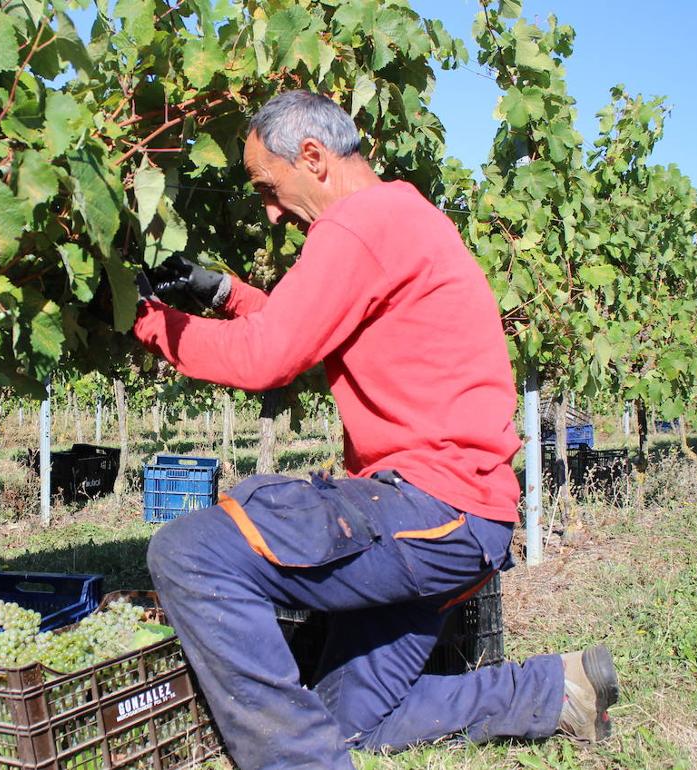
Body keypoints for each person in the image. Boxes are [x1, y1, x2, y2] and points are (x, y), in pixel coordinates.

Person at [134, 90, 619, 769]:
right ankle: (557, 690)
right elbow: (313, 327)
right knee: (345, 719)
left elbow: (270, 355)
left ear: (312, 156)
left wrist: (147, 323)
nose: (270, 211)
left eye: (269, 188)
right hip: (461, 519)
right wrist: (223, 293)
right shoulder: (397, 216)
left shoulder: (359, 224)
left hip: (432, 509)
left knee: (193, 552)